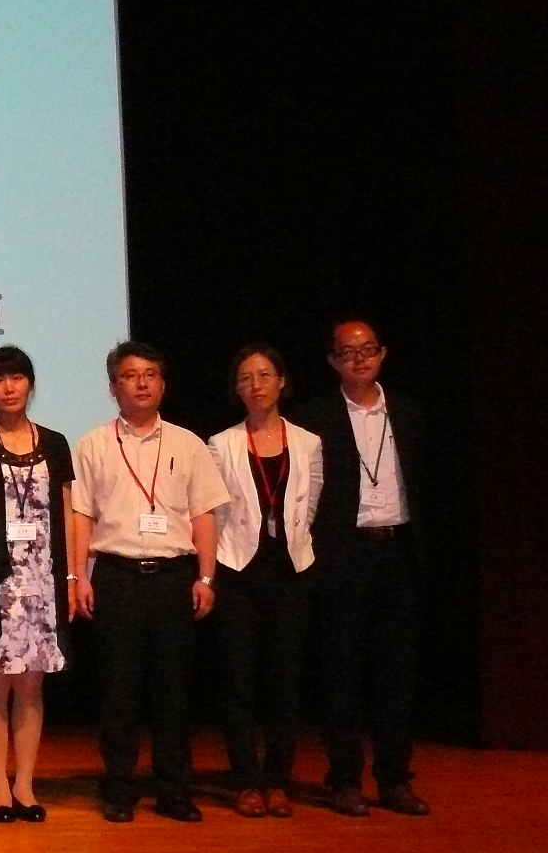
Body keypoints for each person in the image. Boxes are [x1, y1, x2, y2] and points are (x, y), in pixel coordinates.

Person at [67, 341, 229, 823]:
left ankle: (174, 790)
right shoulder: (92, 444)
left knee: (173, 691)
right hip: (115, 576)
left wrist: (206, 576)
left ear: (163, 384)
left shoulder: (188, 444)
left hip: (173, 578)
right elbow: (80, 515)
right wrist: (79, 576)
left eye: (150, 374)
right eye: (130, 376)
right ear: (113, 387)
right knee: (118, 692)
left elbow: (204, 514)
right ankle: (119, 787)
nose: (141, 383)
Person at [301, 319, 430, 816]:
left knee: (397, 675)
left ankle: (395, 779)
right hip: (344, 555)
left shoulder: (409, 412)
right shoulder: (314, 418)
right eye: (348, 352)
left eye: (368, 349)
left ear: (383, 354)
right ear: (332, 361)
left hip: (398, 553)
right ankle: (345, 780)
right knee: (342, 673)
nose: (359, 358)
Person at [207, 344, 323, 818]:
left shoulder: (309, 442)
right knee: (238, 682)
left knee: (284, 681)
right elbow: (215, 513)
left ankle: (277, 779)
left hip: (290, 571)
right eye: (245, 378)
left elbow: (310, 506)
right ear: (236, 389)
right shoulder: (221, 443)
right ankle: (246, 780)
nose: (255, 385)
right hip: (237, 570)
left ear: (282, 381)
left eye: (264, 375)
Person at [0, 345, 74, 825]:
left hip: (43, 579)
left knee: (31, 686)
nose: (8, 387)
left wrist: (73, 576)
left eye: (16, 377)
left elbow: (69, 510)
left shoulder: (55, 442)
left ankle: (25, 785)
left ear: (30, 383)